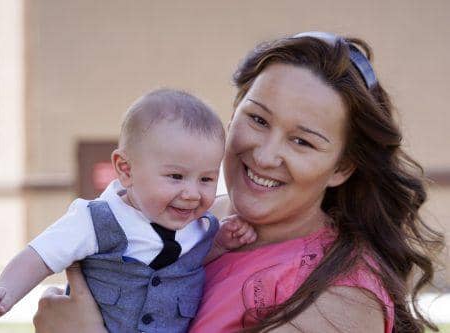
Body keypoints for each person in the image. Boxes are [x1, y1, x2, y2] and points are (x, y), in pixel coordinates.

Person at [33, 32, 444, 333]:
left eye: (302, 141)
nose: (264, 155)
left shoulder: (341, 301)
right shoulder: (193, 220)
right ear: (233, 114)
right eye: (258, 119)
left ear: (342, 167)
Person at [0, 89, 257, 333]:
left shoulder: (201, 229)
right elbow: (39, 256)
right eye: (176, 177)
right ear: (126, 170)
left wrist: (220, 244)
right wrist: (4, 291)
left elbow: (191, 261)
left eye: (206, 179)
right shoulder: (94, 220)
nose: (193, 193)